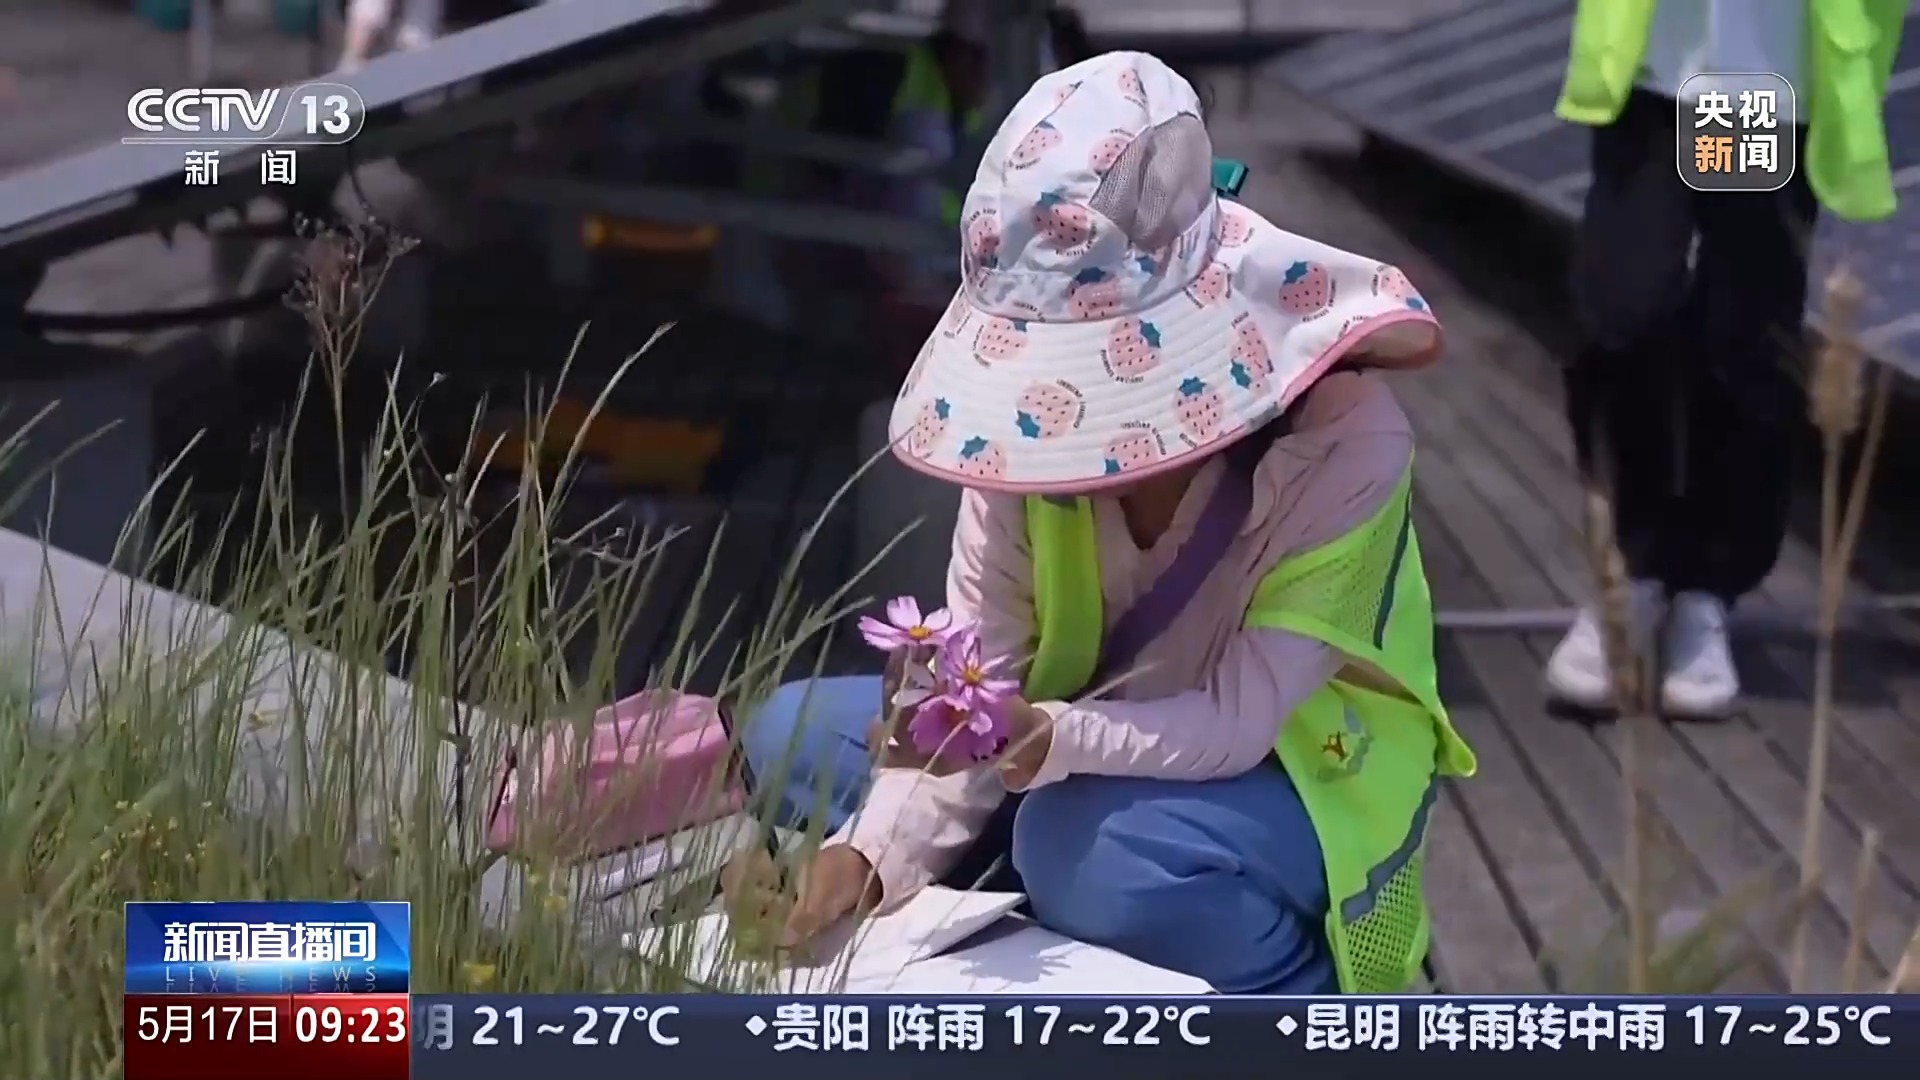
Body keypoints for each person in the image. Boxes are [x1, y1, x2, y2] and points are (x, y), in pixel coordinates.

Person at [726, 51, 1477, 995]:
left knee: (1083, 849)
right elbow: (981, 680)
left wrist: (1048, 740)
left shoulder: (1343, 441)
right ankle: (1041, 900)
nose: (1064, 416)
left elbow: (1238, 720)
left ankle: (1286, 992)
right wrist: (865, 860)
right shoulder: (1018, 436)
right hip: (1068, 740)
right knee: (791, 734)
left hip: (1293, 763)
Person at [1545, 1, 1906, 717]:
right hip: (1654, 69)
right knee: (1625, 310)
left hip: (1753, 86)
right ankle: (1631, 571)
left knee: (1742, 336)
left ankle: (1706, 591)